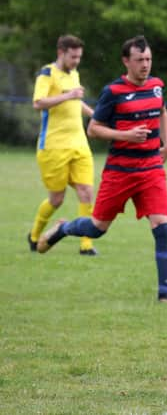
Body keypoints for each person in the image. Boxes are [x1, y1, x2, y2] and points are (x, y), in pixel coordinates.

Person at [36, 35, 167, 305]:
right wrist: (125, 135)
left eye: (148, 59)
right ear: (126, 61)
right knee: (97, 228)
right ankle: (63, 229)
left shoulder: (157, 86)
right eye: (139, 60)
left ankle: (165, 294)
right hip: (120, 171)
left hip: (151, 168)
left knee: (162, 226)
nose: (145, 65)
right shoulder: (113, 92)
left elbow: (163, 111)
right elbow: (93, 129)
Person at [28, 34, 97, 256]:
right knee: (56, 200)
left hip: (79, 144)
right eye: (73, 57)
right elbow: (38, 103)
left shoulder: (74, 73)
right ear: (61, 53)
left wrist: (95, 116)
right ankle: (34, 235)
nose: (76, 61)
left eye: (79, 57)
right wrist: (68, 96)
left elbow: (76, 100)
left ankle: (86, 245)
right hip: (53, 146)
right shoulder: (47, 74)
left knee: (87, 192)